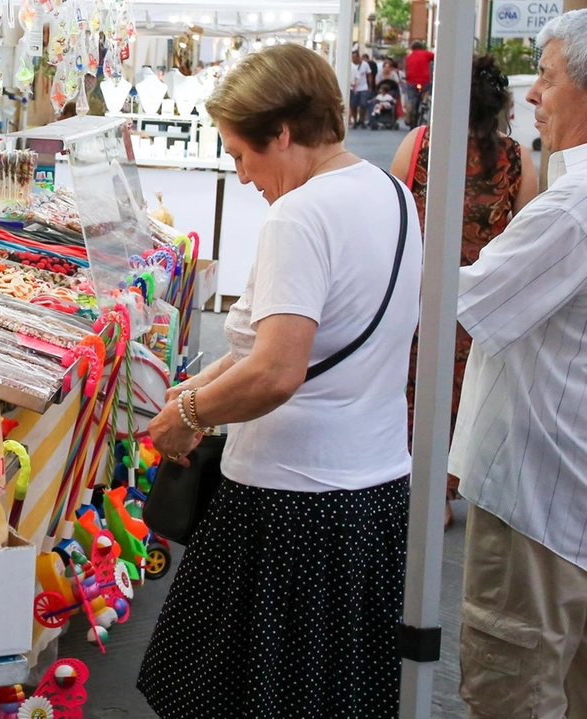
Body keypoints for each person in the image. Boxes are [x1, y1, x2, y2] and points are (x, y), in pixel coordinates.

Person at [137, 44, 422, 718]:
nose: (239, 176)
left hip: (290, 501)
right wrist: (196, 387)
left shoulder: (299, 216)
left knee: (241, 693)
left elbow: (277, 368)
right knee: (333, 693)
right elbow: (317, 340)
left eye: (240, 154)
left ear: (284, 133)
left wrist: (191, 412)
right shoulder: (392, 192)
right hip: (372, 490)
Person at [447, 10, 587, 717]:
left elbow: (463, 300)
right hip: (566, 496)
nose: (535, 94)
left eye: (551, 79)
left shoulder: (574, 207)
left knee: (516, 691)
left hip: (542, 501)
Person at [390, 54, 538, 528]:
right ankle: (446, 491)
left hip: (417, 298)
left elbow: (393, 220)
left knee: (410, 391)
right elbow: (525, 243)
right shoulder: (517, 159)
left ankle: (410, 485)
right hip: (476, 305)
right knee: (463, 397)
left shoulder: (419, 144)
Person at [404, 40, 435, 125]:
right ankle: (424, 102)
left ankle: (408, 117)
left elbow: (406, 68)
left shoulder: (409, 57)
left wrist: (406, 77)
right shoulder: (426, 54)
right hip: (424, 80)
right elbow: (436, 58)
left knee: (410, 99)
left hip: (411, 80)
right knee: (427, 90)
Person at [350, 49, 371, 127]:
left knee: (363, 104)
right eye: (352, 57)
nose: (353, 59)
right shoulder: (351, 65)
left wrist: (370, 86)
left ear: (359, 57)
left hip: (363, 87)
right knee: (354, 105)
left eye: (354, 57)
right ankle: (355, 120)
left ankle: (362, 120)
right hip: (354, 88)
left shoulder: (365, 64)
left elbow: (369, 75)